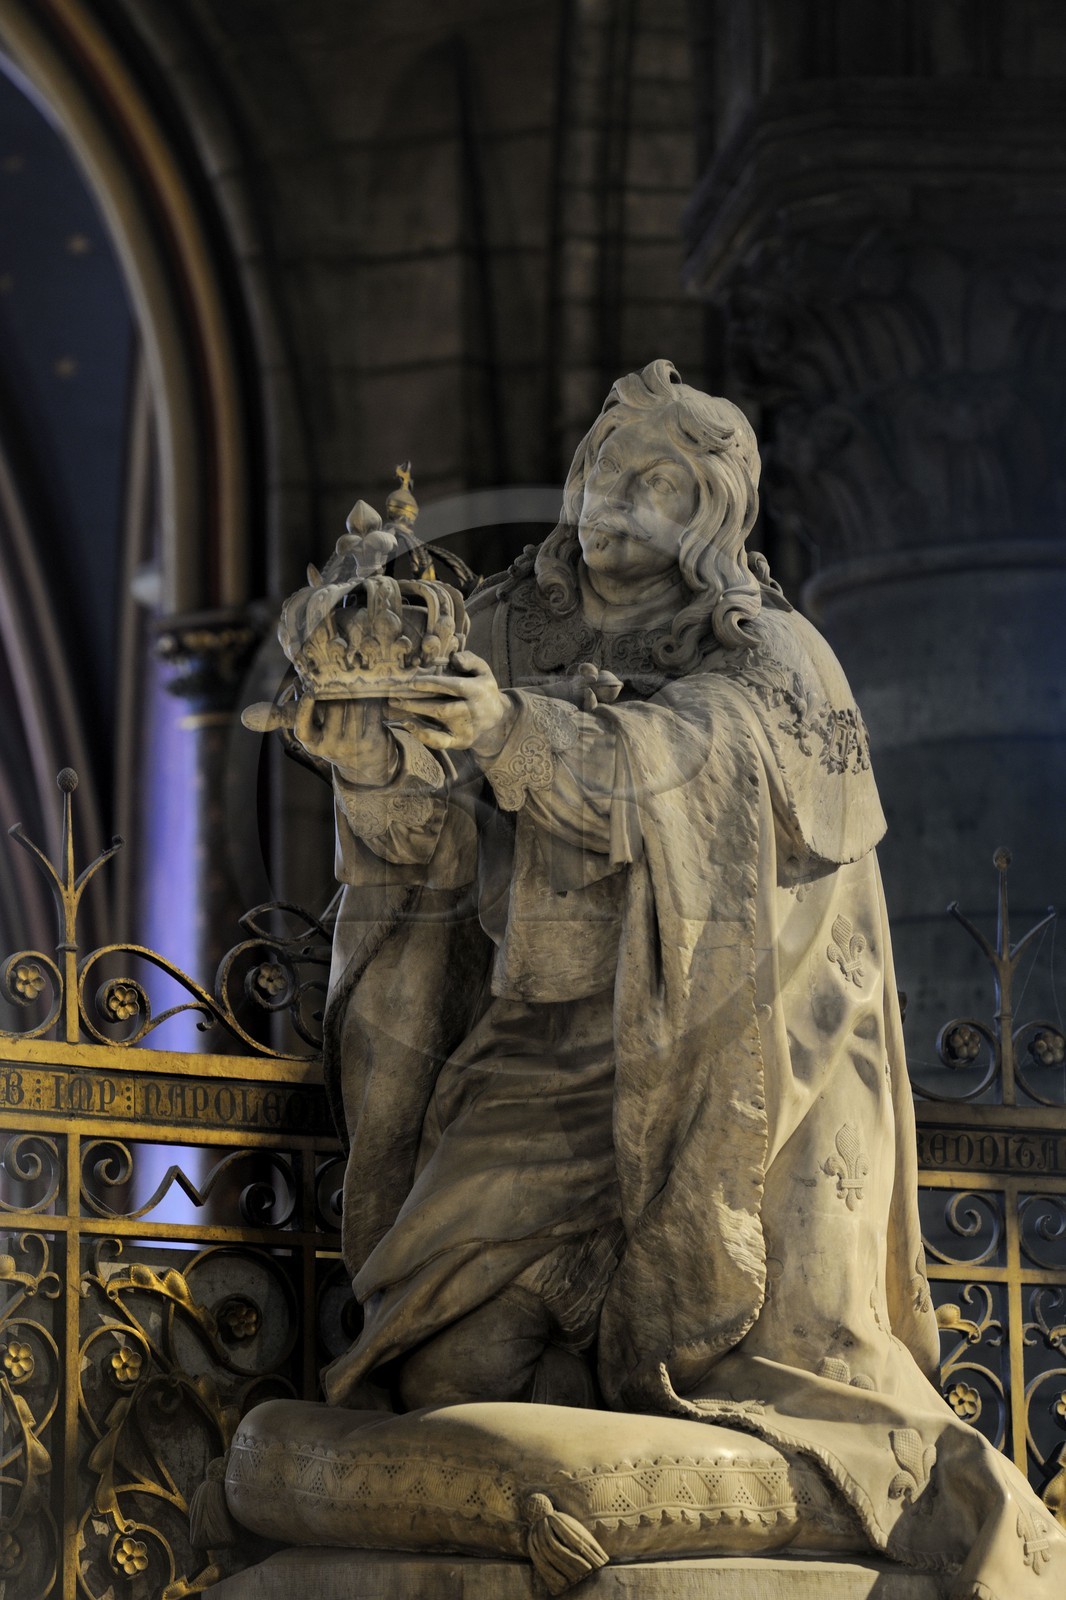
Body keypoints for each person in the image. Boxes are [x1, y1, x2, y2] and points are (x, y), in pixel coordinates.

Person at [291, 359, 1064, 1594]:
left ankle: (687, 1482)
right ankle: (577, 1448)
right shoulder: (503, 622)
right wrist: (368, 757)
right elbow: (423, 853)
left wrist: (508, 732)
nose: (613, 494)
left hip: (720, 1061)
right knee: (439, 1372)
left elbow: (688, 763)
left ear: (710, 512)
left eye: (654, 477)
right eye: (602, 463)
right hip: (538, 1052)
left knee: (725, 1363)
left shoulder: (771, 655)